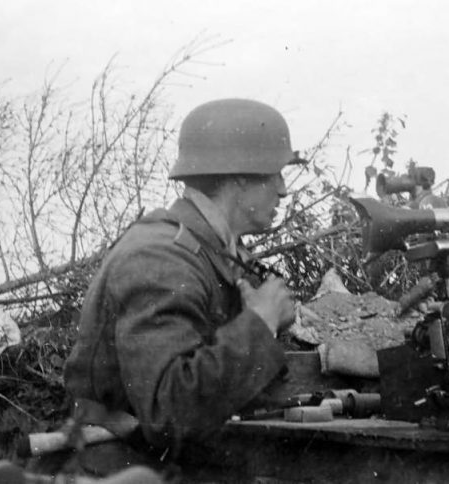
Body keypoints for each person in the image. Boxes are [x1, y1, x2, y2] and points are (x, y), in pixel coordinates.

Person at [62, 98, 303, 477]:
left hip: (160, 459)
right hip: (114, 467)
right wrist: (260, 323)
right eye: (275, 174)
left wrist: (259, 328)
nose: (283, 190)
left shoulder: (213, 251)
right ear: (239, 178)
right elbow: (168, 410)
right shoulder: (160, 259)